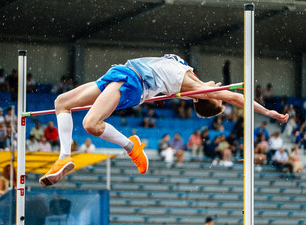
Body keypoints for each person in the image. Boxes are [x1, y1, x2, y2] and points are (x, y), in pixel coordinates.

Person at [39, 54, 289, 186]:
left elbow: (235, 98)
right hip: (120, 72)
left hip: (131, 82)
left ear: (206, 98)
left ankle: (113, 149)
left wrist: (268, 113)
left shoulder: (198, 88)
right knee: (61, 102)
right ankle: (127, 147)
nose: (219, 87)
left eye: (218, 96)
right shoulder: (189, 71)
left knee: (90, 124)